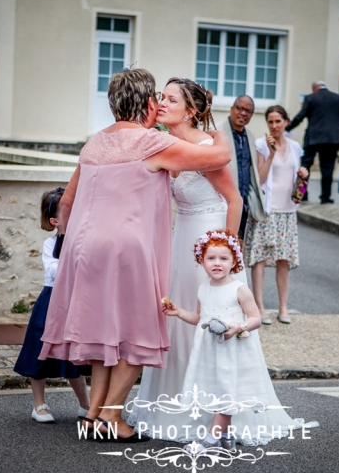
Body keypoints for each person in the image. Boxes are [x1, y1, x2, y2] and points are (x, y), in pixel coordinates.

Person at [39, 68, 232, 443]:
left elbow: (66, 201)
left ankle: (94, 415)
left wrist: (71, 237)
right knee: (139, 329)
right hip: (127, 248)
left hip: (84, 248)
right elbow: (218, 156)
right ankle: (113, 416)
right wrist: (216, 127)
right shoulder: (151, 144)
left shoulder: (94, 143)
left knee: (102, 329)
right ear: (147, 104)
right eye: (157, 98)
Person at [127, 78, 244, 442]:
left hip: (208, 240)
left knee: (205, 319)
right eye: (161, 96)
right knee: (175, 320)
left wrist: (227, 255)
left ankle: (211, 412)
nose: (161, 102)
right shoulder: (166, 142)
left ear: (190, 111)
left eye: (170, 98)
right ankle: (170, 399)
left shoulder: (206, 147)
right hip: (181, 242)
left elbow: (235, 201)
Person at [160, 230, 317, 452]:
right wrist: (178, 313)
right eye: (211, 258)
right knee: (218, 390)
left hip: (232, 349)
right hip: (209, 351)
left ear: (234, 261)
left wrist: (238, 328)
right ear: (201, 261)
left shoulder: (239, 289)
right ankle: (226, 437)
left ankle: (210, 439)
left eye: (224, 259)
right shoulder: (203, 289)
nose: (217, 263)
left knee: (226, 391)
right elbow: (199, 319)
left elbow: (255, 319)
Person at [13, 187, 90, 423]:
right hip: (52, 301)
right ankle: (39, 405)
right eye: (69, 211)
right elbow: (54, 271)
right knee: (40, 352)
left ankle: (85, 405)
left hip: (76, 302)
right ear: (55, 220)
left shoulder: (85, 241)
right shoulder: (50, 244)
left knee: (73, 355)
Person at [247, 105, 306, 325]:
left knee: (284, 260)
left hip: (288, 211)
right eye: (270, 122)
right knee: (260, 258)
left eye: (278, 121)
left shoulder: (295, 147)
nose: (274, 126)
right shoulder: (261, 145)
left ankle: (283, 307)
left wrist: (303, 174)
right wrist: (271, 154)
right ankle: (260, 307)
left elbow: (296, 180)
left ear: (286, 122)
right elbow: (260, 179)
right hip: (267, 211)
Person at [286, 80, 339, 204]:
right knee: (328, 168)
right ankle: (325, 198)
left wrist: (287, 128)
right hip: (332, 139)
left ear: (314, 88)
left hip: (313, 137)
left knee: (305, 166)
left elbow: (301, 116)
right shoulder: (338, 98)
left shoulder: (311, 98)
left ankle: (301, 195)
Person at [218, 95, 266, 241]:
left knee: (238, 251)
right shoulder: (218, 132)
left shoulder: (250, 136)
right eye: (240, 108)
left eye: (248, 111)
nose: (243, 113)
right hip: (222, 203)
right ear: (232, 109)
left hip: (244, 205)